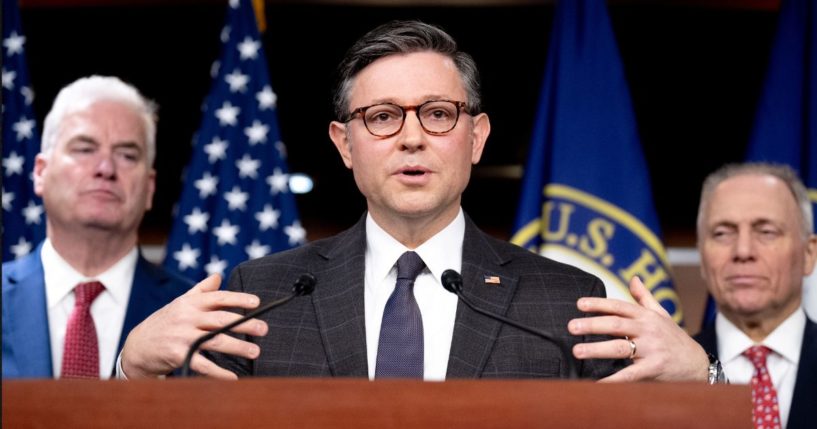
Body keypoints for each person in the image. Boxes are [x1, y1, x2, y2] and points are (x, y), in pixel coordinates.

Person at [120, 20, 710, 382]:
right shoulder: (262, 294)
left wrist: (705, 379)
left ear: (475, 137)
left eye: (437, 113)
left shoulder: (567, 301)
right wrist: (131, 370)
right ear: (344, 144)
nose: (411, 136)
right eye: (381, 117)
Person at [2, 76, 194, 379]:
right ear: (40, 172)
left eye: (127, 155)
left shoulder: (196, 317)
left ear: (149, 188)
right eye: (84, 148)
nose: (105, 168)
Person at [693, 163, 817, 429]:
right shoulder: (664, 379)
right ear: (702, 256)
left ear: (808, 254)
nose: (743, 250)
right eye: (722, 233)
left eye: (766, 232)